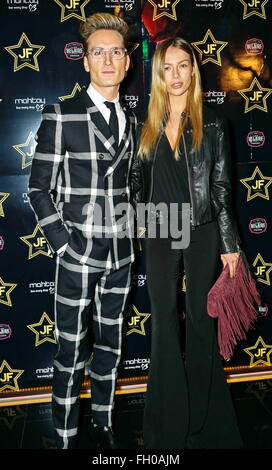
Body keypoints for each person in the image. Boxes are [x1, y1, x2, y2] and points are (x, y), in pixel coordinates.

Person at [28, 13, 136, 449]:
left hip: (122, 256)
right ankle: (66, 433)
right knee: (70, 351)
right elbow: (38, 189)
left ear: (127, 62)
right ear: (85, 62)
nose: (107, 60)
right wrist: (64, 246)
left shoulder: (132, 118)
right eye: (98, 52)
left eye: (115, 52)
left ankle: (105, 423)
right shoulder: (62, 113)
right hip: (77, 254)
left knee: (111, 345)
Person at [131, 37, 243, 449]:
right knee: (163, 325)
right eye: (167, 68)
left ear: (193, 70)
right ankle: (165, 428)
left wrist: (230, 244)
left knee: (200, 323)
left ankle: (207, 426)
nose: (175, 75)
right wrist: (141, 226)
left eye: (182, 66)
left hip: (202, 231)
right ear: (158, 75)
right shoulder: (145, 123)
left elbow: (220, 188)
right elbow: (136, 182)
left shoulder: (213, 123)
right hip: (161, 229)